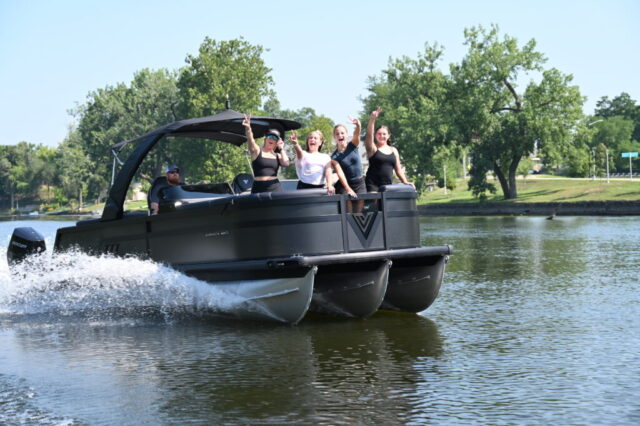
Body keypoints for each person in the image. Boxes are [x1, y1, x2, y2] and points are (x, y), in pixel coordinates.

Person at [290, 130, 356, 196]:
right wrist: (295, 144)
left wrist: (329, 185)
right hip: (304, 187)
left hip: (320, 188)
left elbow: (328, 172)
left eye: (315, 138)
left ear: (320, 142)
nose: (312, 139)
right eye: (310, 138)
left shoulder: (325, 157)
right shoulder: (303, 154)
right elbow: (299, 151)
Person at [364, 108, 414, 192]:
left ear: (388, 135)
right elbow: (369, 135)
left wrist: (405, 181)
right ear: (375, 135)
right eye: (379, 134)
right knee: (375, 200)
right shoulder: (373, 148)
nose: (381, 136)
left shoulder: (393, 150)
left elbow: (398, 170)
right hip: (373, 185)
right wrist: (372, 119)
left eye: (384, 134)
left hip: (388, 185)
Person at [242, 114, 290, 193]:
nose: (272, 139)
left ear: (276, 143)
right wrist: (248, 128)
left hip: (275, 187)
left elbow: (286, 163)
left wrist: (281, 148)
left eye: (275, 138)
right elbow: (251, 140)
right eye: (270, 137)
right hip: (258, 188)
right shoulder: (257, 151)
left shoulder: (277, 155)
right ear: (265, 139)